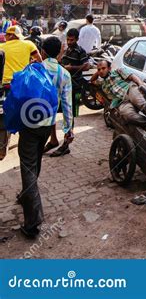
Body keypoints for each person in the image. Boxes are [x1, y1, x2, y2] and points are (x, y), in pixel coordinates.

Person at [17, 36, 73, 237]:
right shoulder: (64, 74)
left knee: (28, 166)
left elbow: (20, 93)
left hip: (29, 123)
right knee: (35, 161)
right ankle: (27, 195)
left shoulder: (33, 68)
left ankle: (33, 222)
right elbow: (67, 105)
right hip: (47, 124)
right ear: (59, 52)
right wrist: (68, 130)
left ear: (42, 51)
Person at [45, 29, 91, 155]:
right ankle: (53, 140)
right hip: (60, 85)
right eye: (68, 39)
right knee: (52, 112)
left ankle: (66, 144)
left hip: (74, 86)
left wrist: (72, 68)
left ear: (77, 39)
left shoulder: (80, 51)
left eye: (72, 40)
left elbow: (87, 66)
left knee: (68, 115)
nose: (69, 42)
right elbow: (59, 62)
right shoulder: (66, 50)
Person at [0, 26, 39, 160]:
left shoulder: (2, 47)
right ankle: (25, 144)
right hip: (23, 85)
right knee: (25, 114)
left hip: (5, 86)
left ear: (9, 36)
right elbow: (39, 61)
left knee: (5, 116)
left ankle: (2, 150)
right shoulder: (28, 44)